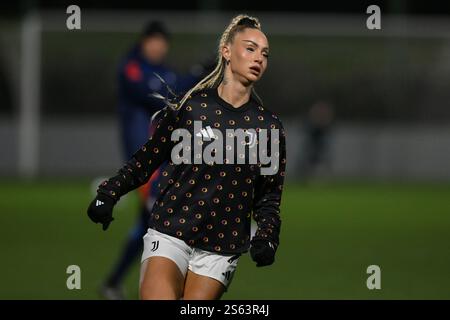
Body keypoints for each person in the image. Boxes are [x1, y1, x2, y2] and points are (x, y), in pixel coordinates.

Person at [88, 14, 287, 300]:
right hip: (171, 230)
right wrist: (109, 192)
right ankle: (113, 281)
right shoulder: (189, 106)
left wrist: (268, 234)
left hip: (222, 245)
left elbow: (269, 197)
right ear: (227, 52)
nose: (259, 58)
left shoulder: (269, 127)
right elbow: (147, 159)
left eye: (265, 53)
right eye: (250, 48)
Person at [100, 21, 200, 299]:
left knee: (151, 224)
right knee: (168, 220)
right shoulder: (131, 67)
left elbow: (177, 90)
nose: (158, 47)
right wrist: (189, 79)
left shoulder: (162, 71)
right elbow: (159, 92)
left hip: (161, 164)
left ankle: (114, 283)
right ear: (144, 42)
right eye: (154, 41)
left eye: (162, 42)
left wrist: (196, 76)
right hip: (144, 167)